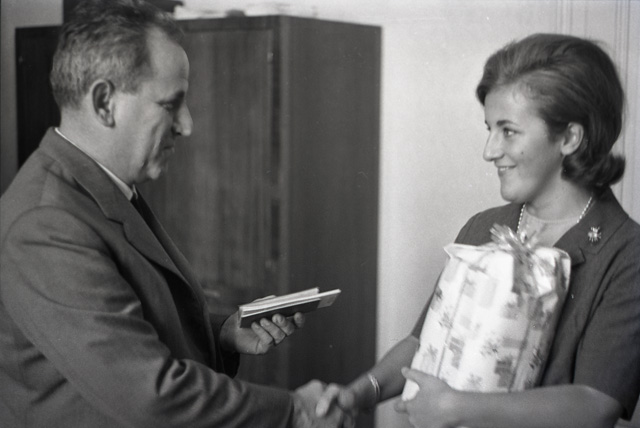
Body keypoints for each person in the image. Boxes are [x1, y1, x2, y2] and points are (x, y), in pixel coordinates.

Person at [0, 1, 345, 427]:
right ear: (105, 102)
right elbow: (149, 395)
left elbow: (127, 329)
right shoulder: (45, 225)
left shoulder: (99, 188)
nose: (187, 124)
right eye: (170, 104)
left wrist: (222, 333)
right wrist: (294, 410)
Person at [315, 33, 640, 428]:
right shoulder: (484, 227)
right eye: (490, 129)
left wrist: (458, 408)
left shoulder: (628, 254)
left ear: (570, 137)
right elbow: (423, 340)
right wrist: (360, 393)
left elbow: (596, 403)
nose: (489, 150)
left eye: (508, 131)